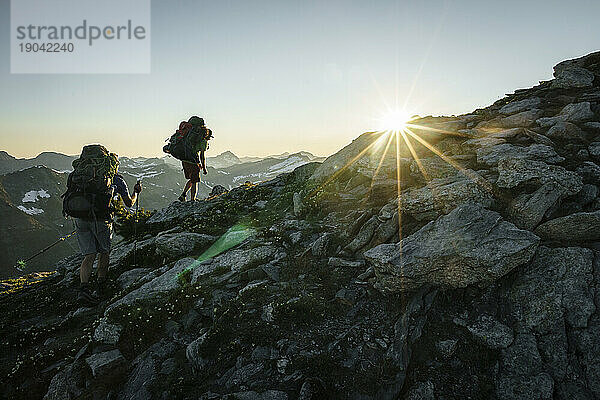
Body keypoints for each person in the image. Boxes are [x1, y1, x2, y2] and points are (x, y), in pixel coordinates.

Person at [76, 171, 142, 305]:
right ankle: (101, 286)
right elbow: (129, 203)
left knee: (89, 255)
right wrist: (136, 192)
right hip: (102, 220)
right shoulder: (117, 180)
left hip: (80, 218)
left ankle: (83, 289)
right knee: (104, 252)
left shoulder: (82, 176)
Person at [178, 116, 212, 202]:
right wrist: (204, 168)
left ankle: (183, 194)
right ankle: (193, 199)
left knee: (191, 179)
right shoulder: (203, 141)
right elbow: (202, 156)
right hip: (192, 161)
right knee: (195, 181)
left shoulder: (188, 136)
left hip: (184, 159)